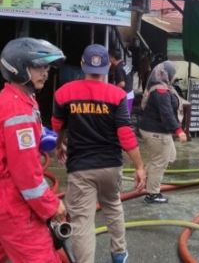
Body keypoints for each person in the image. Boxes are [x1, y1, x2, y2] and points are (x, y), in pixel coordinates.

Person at [0, 38, 67, 262]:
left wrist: (45, 137)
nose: (45, 73)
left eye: (46, 67)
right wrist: (51, 205)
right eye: (38, 67)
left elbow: (14, 138)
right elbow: (26, 175)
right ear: (19, 68)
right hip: (11, 204)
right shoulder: (17, 110)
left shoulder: (14, 98)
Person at [52, 44, 146, 263]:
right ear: (107, 67)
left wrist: (59, 144)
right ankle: (119, 254)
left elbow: (57, 125)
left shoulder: (64, 92)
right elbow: (125, 134)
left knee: (82, 220)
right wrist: (140, 166)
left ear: (83, 65)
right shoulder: (117, 95)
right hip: (111, 167)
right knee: (113, 207)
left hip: (81, 168)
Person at [138, 61, 188, 204]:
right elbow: (166, 113)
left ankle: (146, 179)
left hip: (157, 129)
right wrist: (179, 131)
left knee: (169, 155)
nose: (174, 77)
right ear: (166, 74)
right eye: (173, 74)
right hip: (156, 131)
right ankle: (152, 194)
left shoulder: (164, 87)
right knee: (160, 162)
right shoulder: (161, 91)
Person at [109, 48, 135, 114]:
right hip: (130, 94)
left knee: (125, 117)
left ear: (113, 58)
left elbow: (122, 84)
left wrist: (112, 89)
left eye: (109, 57)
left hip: (126, 97)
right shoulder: (123, 63)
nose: (108, 59)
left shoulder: (118, 68)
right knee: (127, 117)